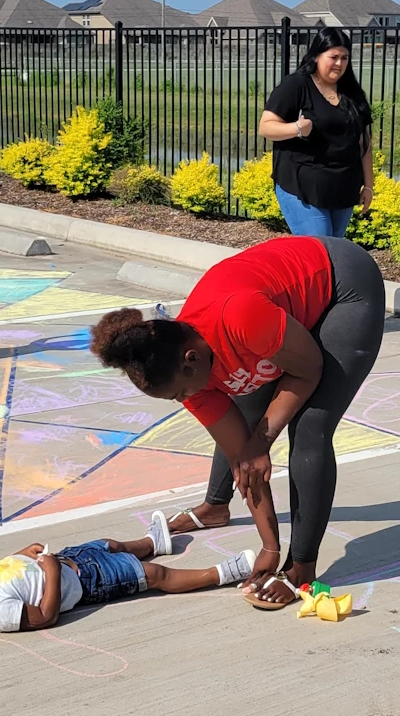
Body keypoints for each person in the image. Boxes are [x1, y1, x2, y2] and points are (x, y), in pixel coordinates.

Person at [90, 235, 385, 610]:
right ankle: (217, 507)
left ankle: (302, 569)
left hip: (340, 283)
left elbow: (309, 368)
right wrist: (268, 545)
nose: (184, 401)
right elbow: (240, 455)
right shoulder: (188, 372)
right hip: (275, 319)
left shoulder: (240, 318)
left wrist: (262, 441)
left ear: (191, 359)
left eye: (180, 393)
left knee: (310, 426)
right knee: (246, 423)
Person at [0, 511, 257, 642]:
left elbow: (2, 570)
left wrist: (24, 553)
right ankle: (223, 573)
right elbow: (44, 616)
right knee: (154, 575)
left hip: (72, 560)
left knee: (113, 544)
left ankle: (153, 541)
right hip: (89, 582)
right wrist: (52, 572)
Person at [258, 28, 374, 238]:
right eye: (333, 57)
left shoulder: (352, 92)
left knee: (333, 253)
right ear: (317, 56)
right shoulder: (296, 85)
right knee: (320, 249)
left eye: (344, 57)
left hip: (343, 189)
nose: (339, 63)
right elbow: (265, 126)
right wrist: (297, 128)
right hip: (303, 187)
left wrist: (368, 186)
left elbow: (363, 141)